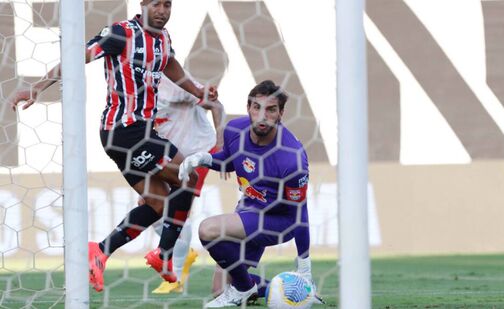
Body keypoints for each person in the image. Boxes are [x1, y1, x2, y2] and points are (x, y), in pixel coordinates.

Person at [8, 0, 217, 292]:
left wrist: (197, 91)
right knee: (188, 175)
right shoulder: (120, 33)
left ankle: (100, 251)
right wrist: (37, 87)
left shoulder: (163, 38)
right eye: (156, 3)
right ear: (142, 3)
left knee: (158, 203)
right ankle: (164, 255)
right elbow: (76, 57)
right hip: (126, 132)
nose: (162, 11)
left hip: (136, 134)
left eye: (168, 5)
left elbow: (168, 62)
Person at [180, 80, 316, 307]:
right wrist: (203, 159)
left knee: (208, 229)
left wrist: (304, 263)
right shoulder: (235, 130)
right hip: (248, 210)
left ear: (281, 113)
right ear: (248, 108)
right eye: (256, 107)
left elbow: (299, 212)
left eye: (271, 109)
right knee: (219, 290)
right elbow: (228, 163)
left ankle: (245, 288)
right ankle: (294, 290)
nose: (262, 115)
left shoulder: (291, 159)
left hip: (277, 221)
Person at [150, 72, 225, 294]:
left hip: (197, 152)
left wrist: (221, 145)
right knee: (148, 208)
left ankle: (176, 278)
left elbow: (217, 106)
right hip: (171, 156)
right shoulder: (137, 89)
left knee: (177, 212)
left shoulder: (174, 84)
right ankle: (185, 251)